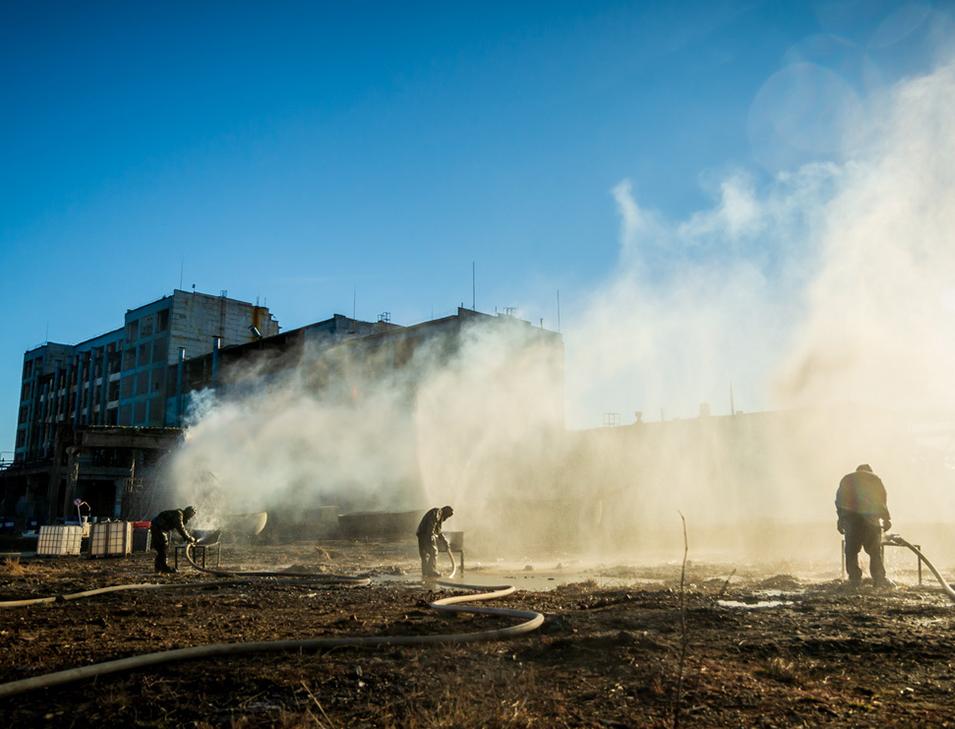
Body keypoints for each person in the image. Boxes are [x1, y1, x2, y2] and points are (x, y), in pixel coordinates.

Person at [836, 465, 892, 587]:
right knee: (874, 551)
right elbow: (881, 500)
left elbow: (840, 501)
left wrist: (840, 520)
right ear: (870, 471)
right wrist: (886, 519)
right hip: (871, 521)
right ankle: (879, 579)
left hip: (852, 522)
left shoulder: (847, 479)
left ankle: (854, 580)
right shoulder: (874, 479)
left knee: (851, 551)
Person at [150, 505, 197, 573]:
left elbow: (179, 528)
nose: (190, 517)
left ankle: (159, 567)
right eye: (191, 515)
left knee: (161, 548)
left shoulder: (179, 515)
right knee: (163, 546)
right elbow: (180, 528)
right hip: (158, 528)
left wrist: (186, 538)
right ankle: (164, 568)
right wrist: (189, 538)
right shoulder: (179, 514)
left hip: (159, 528)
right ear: (187, 512)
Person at [416, 505, 453, 578]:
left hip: (421, 534)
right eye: (447, 516)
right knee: (434, 551)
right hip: (427, 534)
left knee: (425, 554)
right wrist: (431, 536)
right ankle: (432, 571)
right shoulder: (438, 512)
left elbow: (438, 531)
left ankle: (425, 572)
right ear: (445, 512)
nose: (446, 518)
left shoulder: (438, 516)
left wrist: (444, 541)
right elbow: (431, 525)